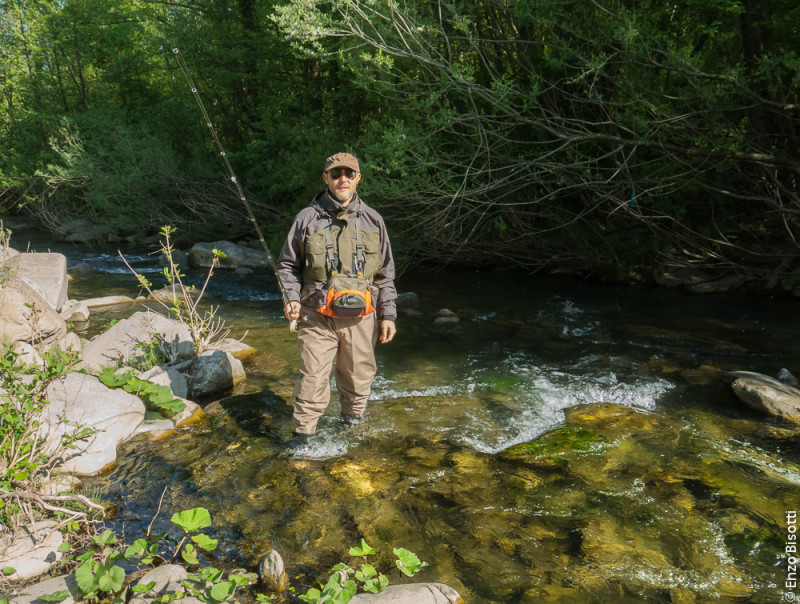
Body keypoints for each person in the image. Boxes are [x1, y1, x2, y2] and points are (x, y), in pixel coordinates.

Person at [277, 152, 397, 453]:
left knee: (358, 378)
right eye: (335, 174)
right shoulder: (306, 218)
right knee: (313, 376)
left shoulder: (374, 220)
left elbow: (385, 275)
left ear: (358, 178)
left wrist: (389, 315)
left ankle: (351, 428)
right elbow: (287, 267)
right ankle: (303, 440)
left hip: (362, 317)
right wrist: (291, 298)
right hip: (316, 315)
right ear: (326, 178)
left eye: (348, 173)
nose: (342, 179)